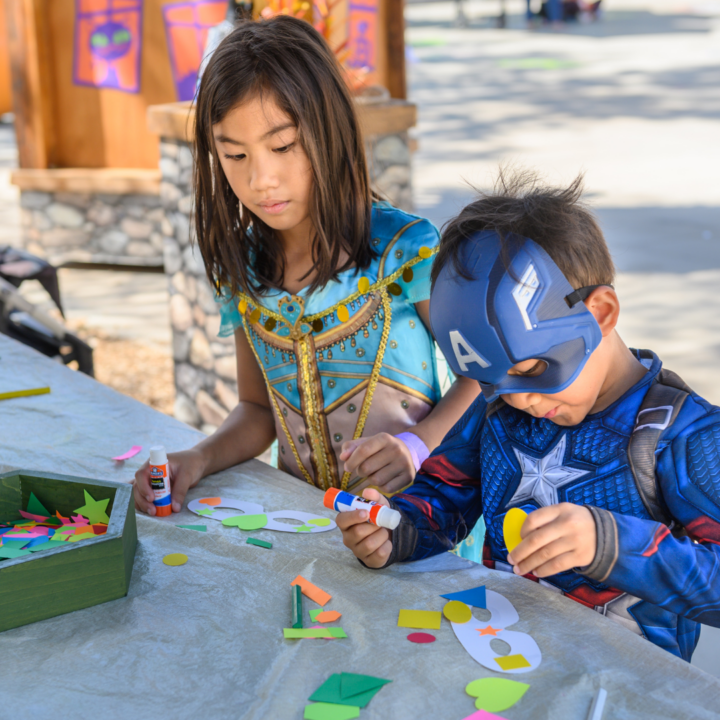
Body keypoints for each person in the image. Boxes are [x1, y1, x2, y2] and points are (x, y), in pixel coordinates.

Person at [337, 171, 720, 661]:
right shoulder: (497, 409)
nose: (518, 399)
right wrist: (395, 530)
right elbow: (445, 497)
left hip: (629, 689)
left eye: (531, 368)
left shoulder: (683, 434)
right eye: (493, 381)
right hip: (501, 663)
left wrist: (612, 545)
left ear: (600, 314)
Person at [133, 16, 480, 525]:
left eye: (282, 146)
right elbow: (256, 411)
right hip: (307, 527)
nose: (260, 179)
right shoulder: (242, 271)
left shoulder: (405, 249)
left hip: (419, 526)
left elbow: (481, 374)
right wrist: (198, 458)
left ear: (328, 131)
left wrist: (418, 443)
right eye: (234, 154)